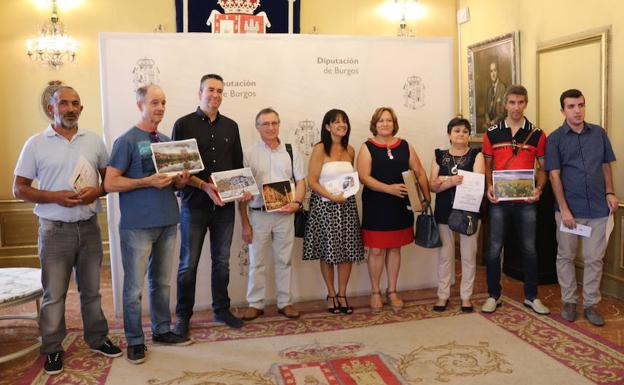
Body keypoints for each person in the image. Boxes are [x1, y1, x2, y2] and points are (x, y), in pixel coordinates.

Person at [13, 86, 122, 375]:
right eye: (63, 103)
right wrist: (55, 197)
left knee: (92, 292)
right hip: (54, 231)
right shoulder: (35, 144)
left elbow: (108, 182)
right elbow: (19, 188)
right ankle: (52, 349)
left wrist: (95, 192)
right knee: (54, 294)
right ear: (52, 108)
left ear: (81, 109)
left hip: (88, 228)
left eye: (75, 103)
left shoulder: (94, 141)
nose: (70, 108)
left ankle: (97, 338)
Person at [105, 84, 203, 364]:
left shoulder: (165, 140)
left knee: (161, 283)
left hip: (168, 221)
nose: (160, 107)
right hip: (137, 225)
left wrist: (180, 182)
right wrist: (145, 181)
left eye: (163, 102)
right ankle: (135, 340)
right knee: (134, 287)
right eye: (154, 102)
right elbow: (110, 182)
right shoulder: (126, 140)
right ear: (140, 105)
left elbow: (171, 183)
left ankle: (161, 330)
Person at [172, 74, 249, 333]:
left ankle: (222, 310)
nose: (215, 95)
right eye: (210, 90)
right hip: (194, 205)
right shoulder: (182, 124)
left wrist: (243, 190)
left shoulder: (232, 126)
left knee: (221, 262)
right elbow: (176, 169)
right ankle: (183, 316)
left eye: (219, 91)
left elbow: (238, 167)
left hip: (224, 207)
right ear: (200, 93)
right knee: (188, 263)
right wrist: (202, 185)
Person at [545, 89, 618, 326]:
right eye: (571, 107)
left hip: (598, 208)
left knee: (594, 258)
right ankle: (568, 301)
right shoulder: (555, 139)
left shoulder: (598, 133)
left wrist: (610, 191)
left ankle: (590, 304)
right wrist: (564, 209)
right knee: (565, 256)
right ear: (563, 110)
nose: (577, 111)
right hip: (570, 211)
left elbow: (606, 165)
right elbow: (554, 176)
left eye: (581, 105)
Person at [481, 84, 550, 315]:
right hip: (499, 201)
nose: (516, 107)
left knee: (529, 249)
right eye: (512, 102)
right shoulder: (492, 133)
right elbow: (488, 165)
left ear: (526, 104)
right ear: (505, 104)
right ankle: (494, 295)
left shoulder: (538, 134)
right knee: (493, 248)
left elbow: (542, 167)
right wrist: (489, 187)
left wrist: (539, 188)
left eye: (520, 102)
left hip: (526, 201)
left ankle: (532, 296)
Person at [356, 107, 430, 312]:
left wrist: (426, 198)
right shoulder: (367, 147)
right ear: (375, 124)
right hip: (376, 205)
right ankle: (375, 292)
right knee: (377, 250)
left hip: (400, 205)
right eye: (381, 120)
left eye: (389, 120)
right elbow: (364, 177)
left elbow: (420, 172)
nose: (385, 124)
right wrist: (388, 189)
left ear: (394, 123)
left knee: (395, 249)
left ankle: (392, 291)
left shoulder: (405, 145)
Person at [238, 108, 306, 321]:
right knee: (257, 261)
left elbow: (302, 181)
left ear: (279, 124)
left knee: (284, 260)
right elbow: (242, 192)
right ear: (257, 127)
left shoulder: (291, 150)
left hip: (285, 215)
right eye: (265, 124)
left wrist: (296, 203)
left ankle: (285, 303)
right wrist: (245, 224)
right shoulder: (249, 154)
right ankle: (255, 304)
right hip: (258, 215)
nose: (270, 127)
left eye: (274, 123)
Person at [303, 109, 365, 314]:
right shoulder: (320, 149)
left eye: (344, 121)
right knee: (328, 252)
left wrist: (348, 192)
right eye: (336, 122)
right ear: (327, 126)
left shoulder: (351, 150)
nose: (341, 125)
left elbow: (351, 179)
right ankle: (330, 294)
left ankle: (342, 294)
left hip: (346, 206)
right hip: (324, 206)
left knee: (347, 251)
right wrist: (331, 197)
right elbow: (311, 181)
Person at [429, 118, 484, 313]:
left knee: (469, 256)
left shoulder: (477, 155)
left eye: (464, 131)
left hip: (468, 212)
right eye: (456, 130)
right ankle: (442, 295)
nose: (461, 134)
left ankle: (466, 297)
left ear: (469, 135)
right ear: (449, 134)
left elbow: (475, 182)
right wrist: (452, 180)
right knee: (445, 256)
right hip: (444, 211)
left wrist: (443, 180)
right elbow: (432, 185)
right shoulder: (439, 155)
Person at [484, 61, 506, 129]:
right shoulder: (490, 90)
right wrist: (487, 119)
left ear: (498, 72)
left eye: (495, 71)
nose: (493, 74)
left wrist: (494, 121)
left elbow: (503, 112)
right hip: (490, 124)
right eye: (491, 71)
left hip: (499, 125)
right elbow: (486, 110)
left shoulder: (502, 88)